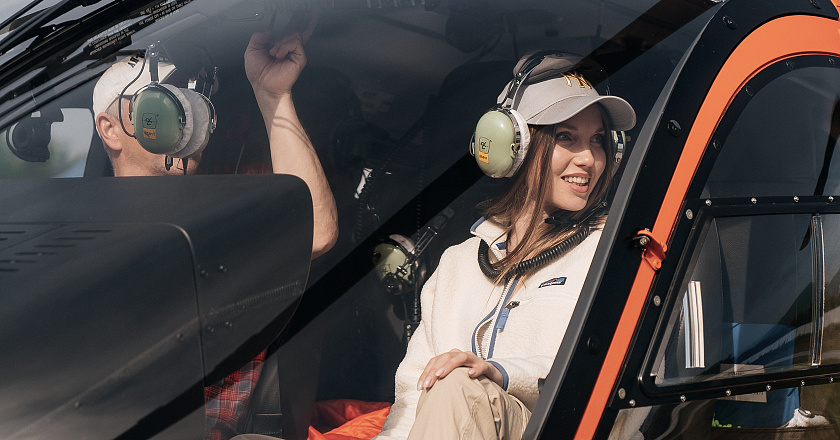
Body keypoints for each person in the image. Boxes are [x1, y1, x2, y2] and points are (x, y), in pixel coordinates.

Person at [91, 17, 338, 440]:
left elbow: (316, 233)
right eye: (163, 101)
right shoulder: (78, 238)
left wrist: (273, 95)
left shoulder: (223, 228)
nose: (185, 116)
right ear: (110, 129)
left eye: (191, 101)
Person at [374, 53, 636, 440]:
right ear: (513, 147)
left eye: (598, 141)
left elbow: (607, 371)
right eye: (566, 137)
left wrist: (501, 373)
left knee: (459, 385)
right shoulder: (458, 264)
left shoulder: (617, 255)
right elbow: (413, 399)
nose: (588, 158)